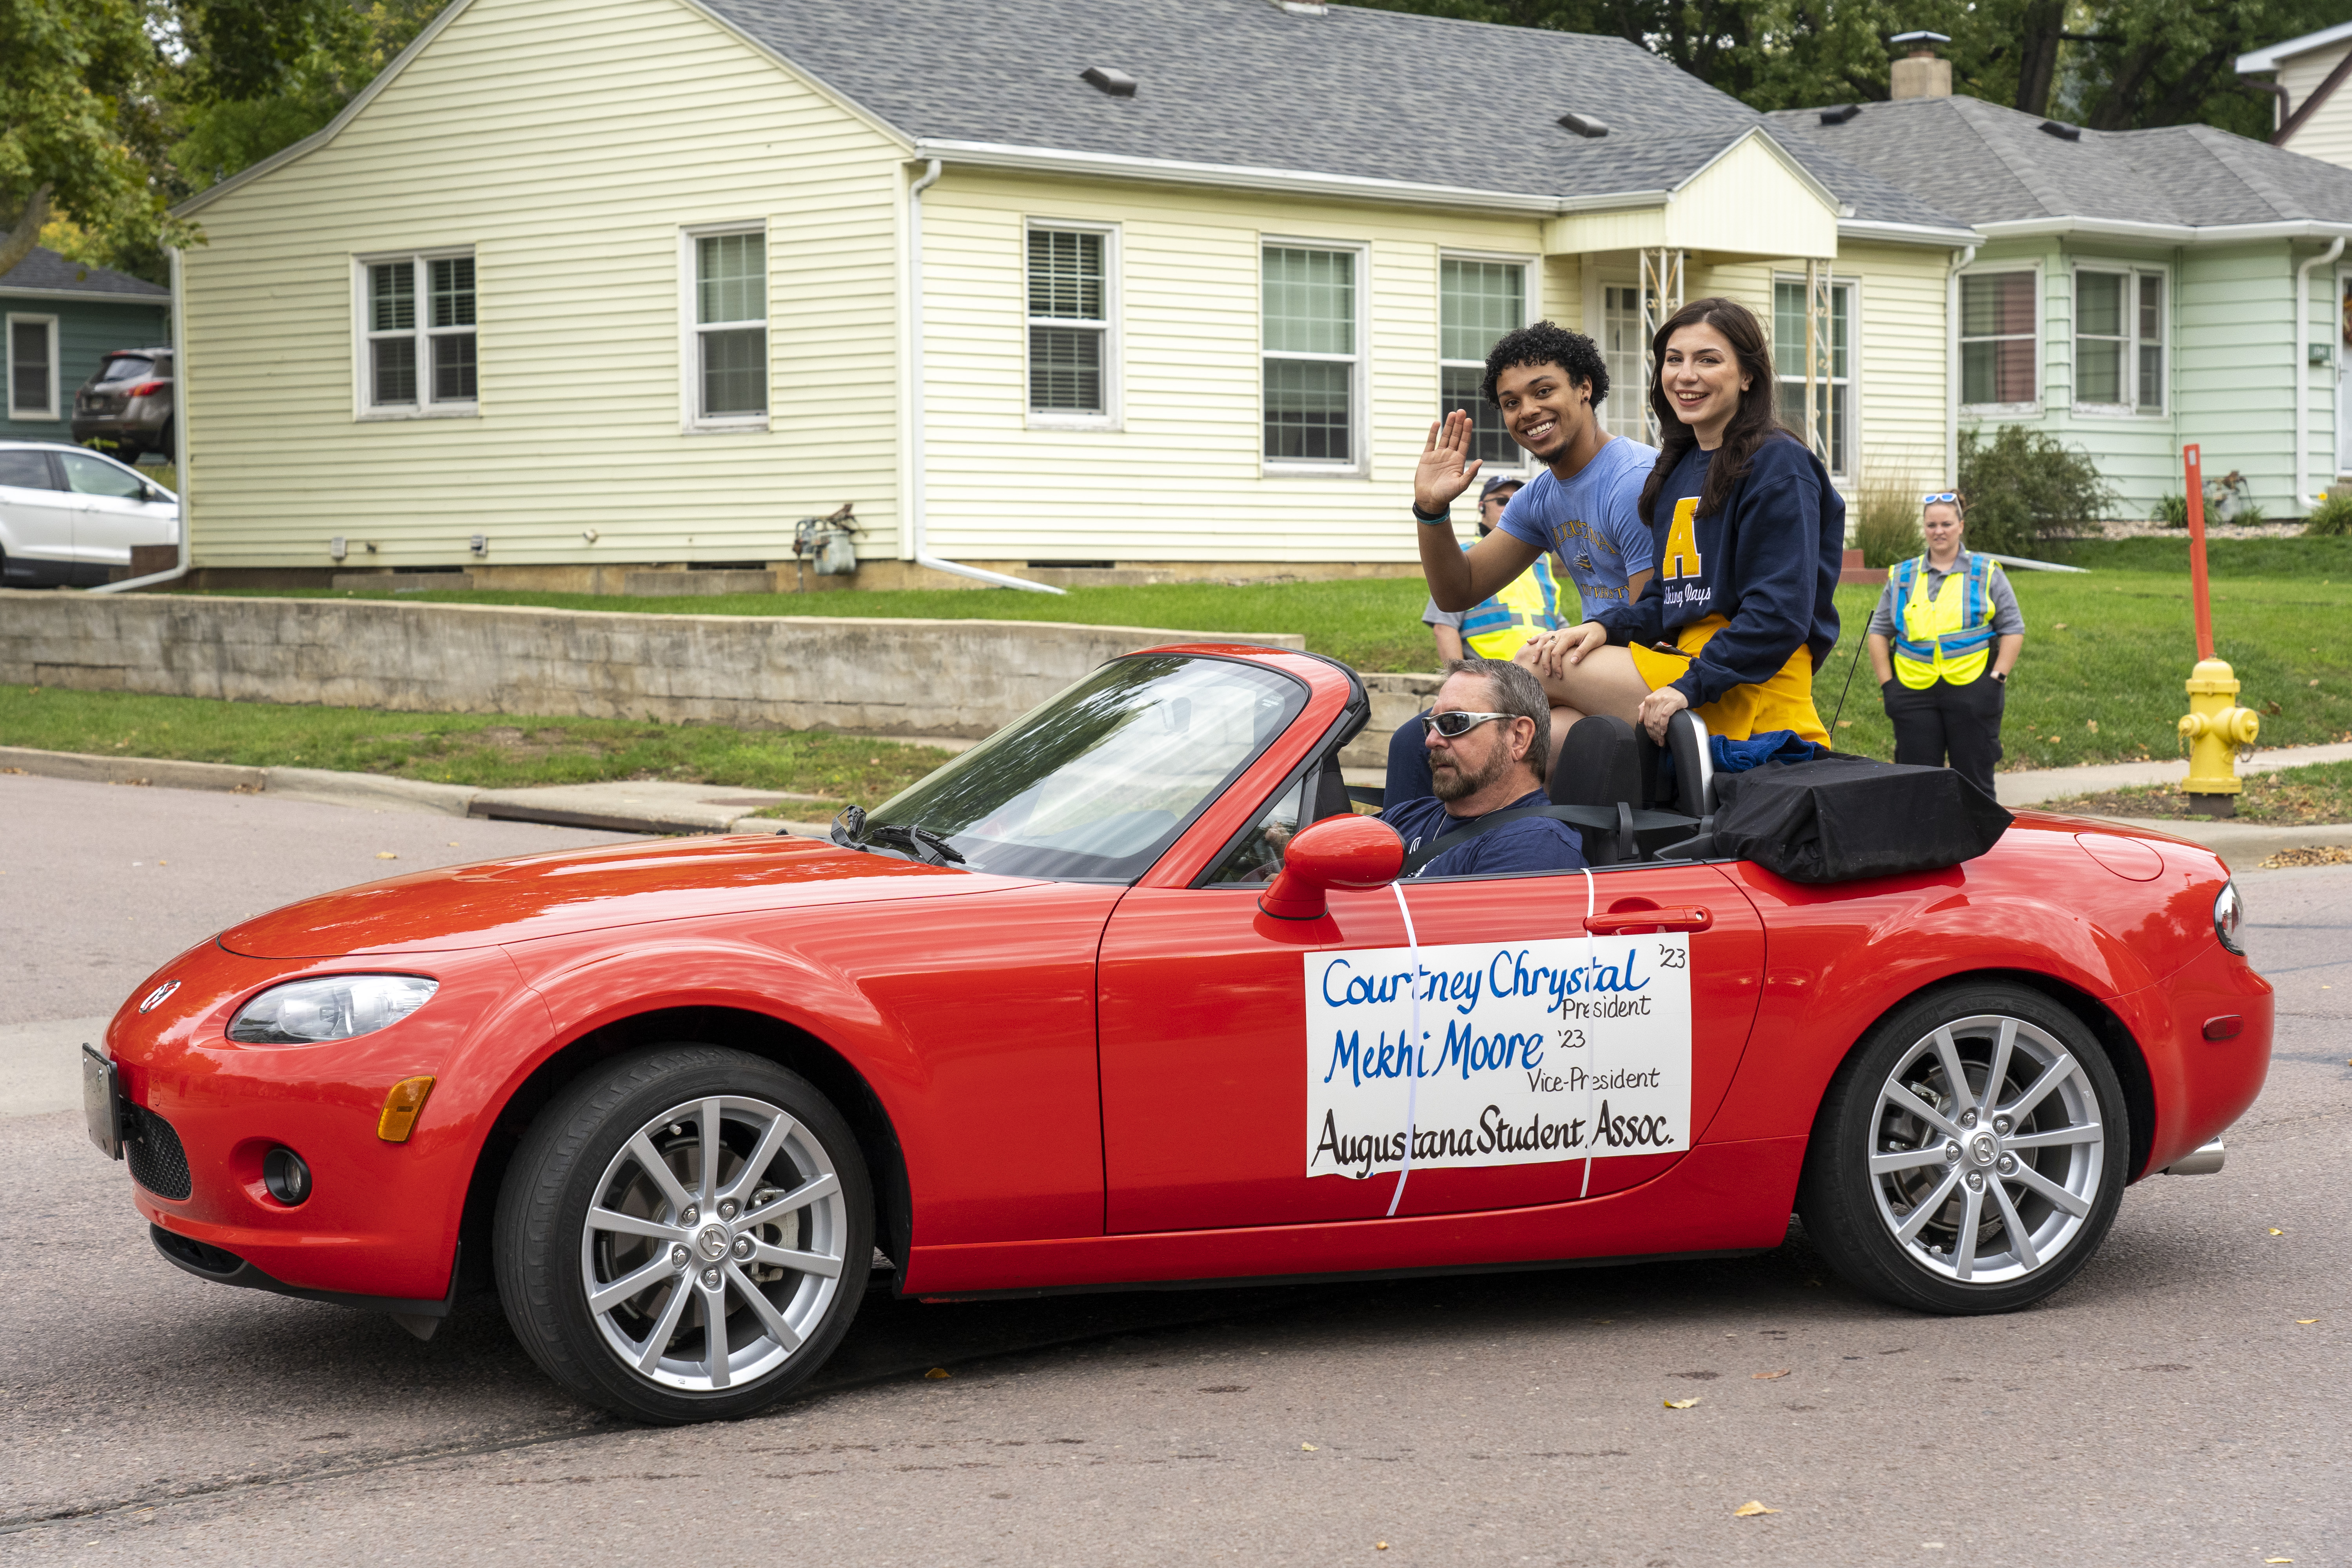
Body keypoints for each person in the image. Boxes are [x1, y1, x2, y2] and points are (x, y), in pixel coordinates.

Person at [1510, 296, 1844, 746]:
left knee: (1532, 667)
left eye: (1708, 360)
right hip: (1687, 665)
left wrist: (1689, 687)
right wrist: (1604, 627)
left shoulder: (1779, 464)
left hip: (1748, 688)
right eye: (1674, 360)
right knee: (1558, 738)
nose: (1686, 375)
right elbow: (1667, 600)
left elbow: (1779, 616)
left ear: (1748, 375)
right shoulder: (1678, 469)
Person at [1399, 321, 1655, 795]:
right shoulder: (1541, 498)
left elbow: (1655, 623)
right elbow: (1458, 589)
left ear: (1585, 387)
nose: (1528, 411)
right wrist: (1432, 510)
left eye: (1543, 391)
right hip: (1600, 675)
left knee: (1513, 683)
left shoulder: (1634, 481)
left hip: (1668, 675)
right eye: (1511, 402)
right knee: (1443, 748)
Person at [1867, 492, 2024, 799]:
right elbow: (1878, 632)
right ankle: (1923, 847)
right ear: (1924, 528)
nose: (1939, 531)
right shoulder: (1902, 576)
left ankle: (1979, 846)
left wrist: (1998, 679)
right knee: (1918, 787)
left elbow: (2013, 628)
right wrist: (1889, 686)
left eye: (1947, 524)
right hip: (1913, 695)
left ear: (1961, 526)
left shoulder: (1986, 573)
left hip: (1973, 692)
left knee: (1975, 786)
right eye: (1932, 524)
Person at [1378, 658, 1588, 878]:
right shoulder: (1405, 817)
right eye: (1431, 724)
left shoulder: (1535, 844)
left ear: (1518, 738)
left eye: (1454, 723)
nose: (1431, 741)